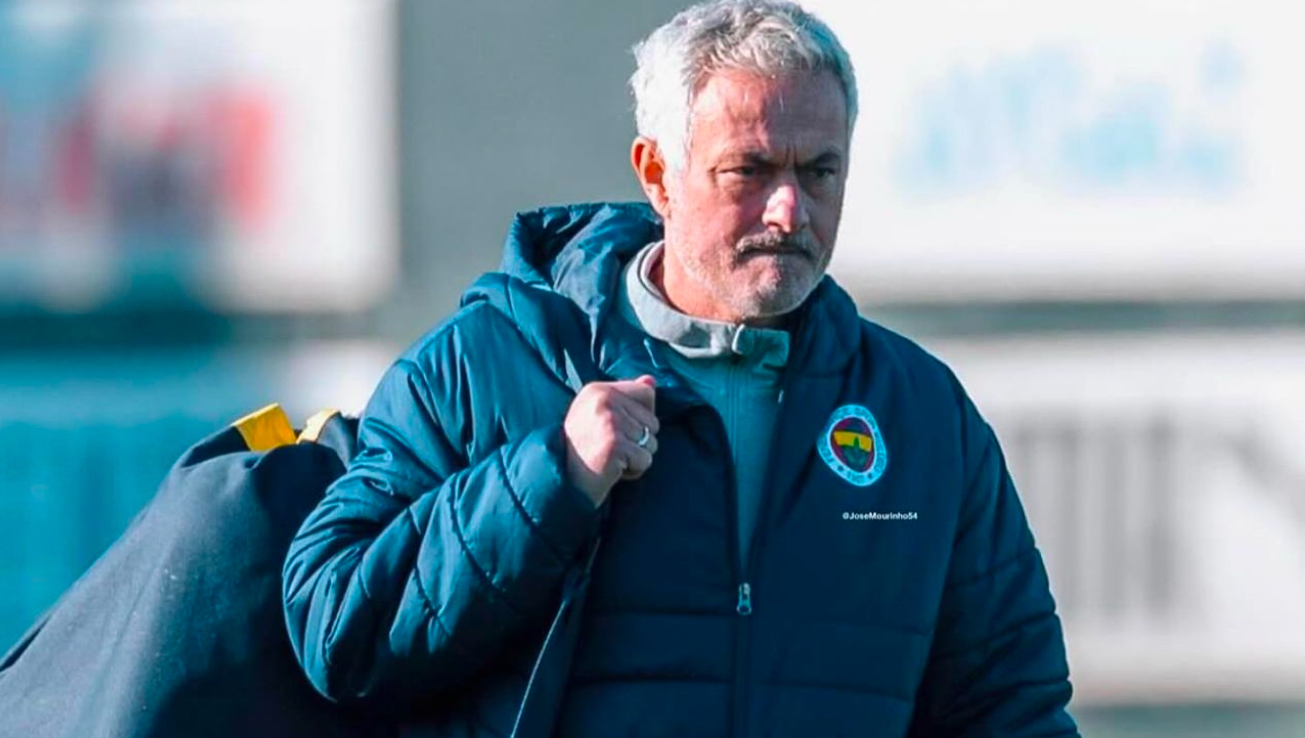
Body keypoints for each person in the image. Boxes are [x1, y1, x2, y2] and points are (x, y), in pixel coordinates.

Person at [282, 1, 1080, 736]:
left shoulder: (921, 415)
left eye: (819, 172)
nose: (789, 210)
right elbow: (334, 628)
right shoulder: (481, 365)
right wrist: (548, 480)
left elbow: (1010, 709)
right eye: (750, 170)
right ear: (658, 174)